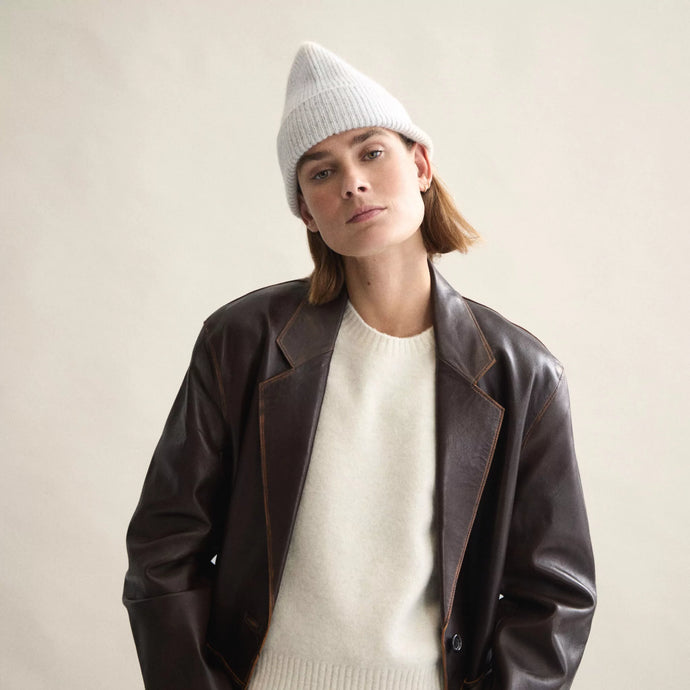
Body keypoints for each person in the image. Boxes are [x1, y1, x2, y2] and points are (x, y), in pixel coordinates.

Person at [123, 42, 596, 690]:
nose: (351, 182)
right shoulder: (241, 342)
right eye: (321, 172)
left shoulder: (522, 375)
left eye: (371, 152)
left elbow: (555, 595)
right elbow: (165, 546)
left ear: (420, 164)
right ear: (306, 211)